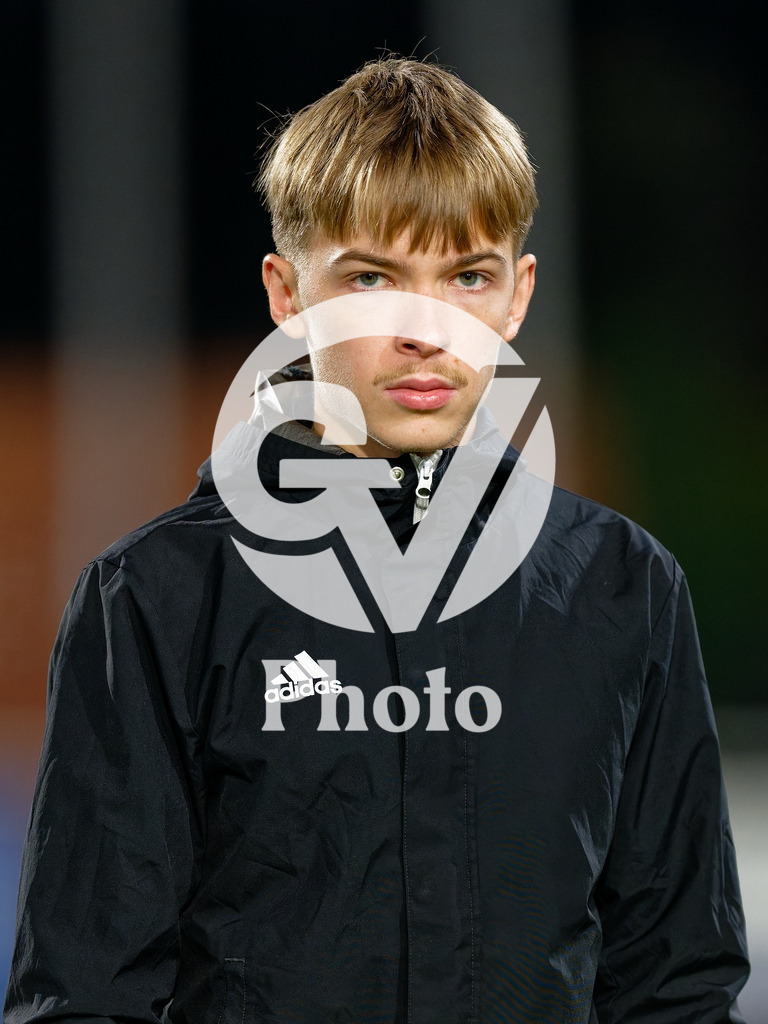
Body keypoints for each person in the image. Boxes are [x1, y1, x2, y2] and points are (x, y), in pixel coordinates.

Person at [4, 58, 749, 1024]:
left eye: (467, 277)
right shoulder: (155, 597)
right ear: (287, 295)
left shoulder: (624, 589)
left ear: (517, 296)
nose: (424, 330)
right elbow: (84, 997)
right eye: (371, 278)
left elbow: (676, 986)